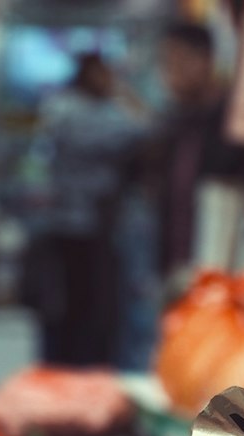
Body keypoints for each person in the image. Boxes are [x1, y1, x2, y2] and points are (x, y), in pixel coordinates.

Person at [24, 53, 150, 366]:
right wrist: (124, 94)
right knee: (88, 311)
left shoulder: (57, 107)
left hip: (66, 223)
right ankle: (80, 373)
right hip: (86, 225)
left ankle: (65, 369)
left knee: (68, 309)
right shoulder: (81, 112)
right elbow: (144, 128)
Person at [157, 21, 244, 280]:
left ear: (207, 60)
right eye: (166, 64)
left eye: (181, 61)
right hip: (178, 264)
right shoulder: (174, 123)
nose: (172, 73)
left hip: (223, 269)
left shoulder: (233, 122)